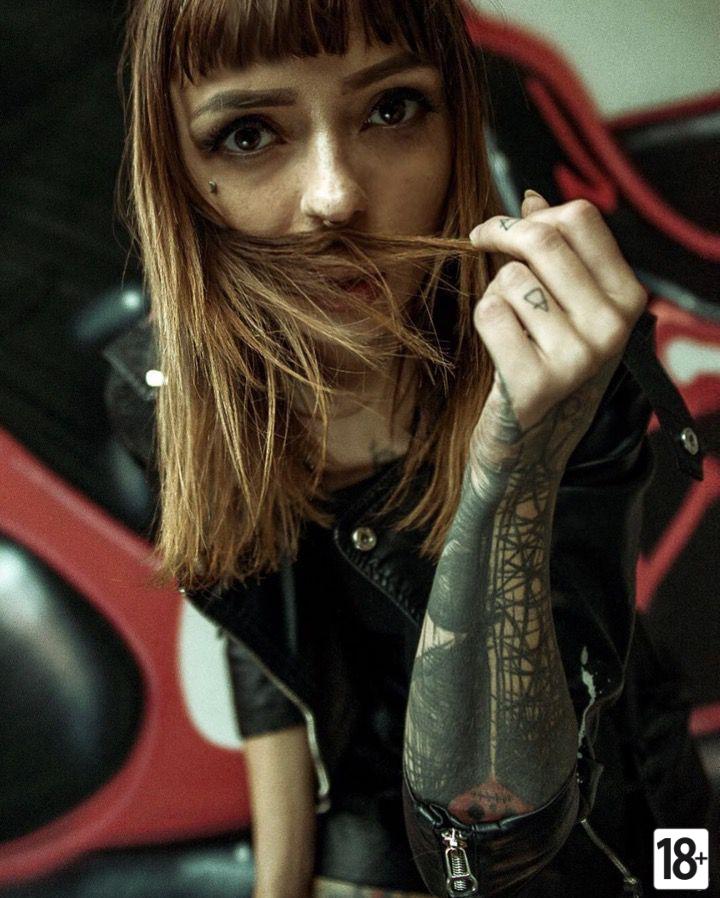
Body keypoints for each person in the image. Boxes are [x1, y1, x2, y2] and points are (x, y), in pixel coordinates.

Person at [107, 0, 714, 895]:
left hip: (636, 825)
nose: (335, 196)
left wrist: (513, 464)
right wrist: (280, 883)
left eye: (391, 109)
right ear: (179, 170)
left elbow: (501, 818)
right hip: (374, 836)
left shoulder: (563, 365)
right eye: (248, 134)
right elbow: (267, 651)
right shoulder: (162, 393)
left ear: (455, 123)